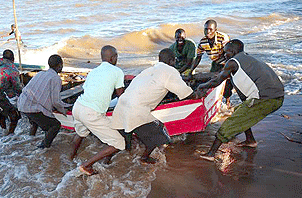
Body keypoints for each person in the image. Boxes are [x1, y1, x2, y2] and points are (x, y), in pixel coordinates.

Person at [196, 39, 284, 161]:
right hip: (276, 95)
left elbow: (217, 81)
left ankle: (211, 154)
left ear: (232, 51)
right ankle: (250, 140)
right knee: (239, 111)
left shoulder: (232, 62)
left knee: (233, 121)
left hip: (267, 98)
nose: (224, 55)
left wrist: (201, 86)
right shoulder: (247, 59)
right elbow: (234, 83)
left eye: (225, 52)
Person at [111, 48, 195, 164]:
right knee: (161, 137)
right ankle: (144, 158)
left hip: (121, 106)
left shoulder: (148, 70)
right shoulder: (170, 71)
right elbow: (186, 93)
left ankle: (108, 160)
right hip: (136, 110)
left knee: (121, 141)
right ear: (172, 61)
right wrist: (198, 94)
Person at [71, 45, 126, 176]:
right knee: (119, 143)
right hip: (91, 113)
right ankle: (86, 165)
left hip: (78, 107)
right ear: (113, 58)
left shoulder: (93, 72)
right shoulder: (117, 71)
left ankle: (70, 158)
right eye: (116, 56)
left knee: (80, 134)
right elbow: (121, 96)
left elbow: (88, 89)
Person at [17, 54, 72, 148]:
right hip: (32, 106)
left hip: (22, 103)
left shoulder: (40, 73)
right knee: (54, 126)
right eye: (61, 65)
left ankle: (31, 139)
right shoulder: (55, 78)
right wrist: (64, 111)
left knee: (35, 122)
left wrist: (63, 105)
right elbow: (55, 101)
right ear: (59, 65)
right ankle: (43, 148)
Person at [189, 20, 233, 106]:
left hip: (227, 61)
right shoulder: (203, 42)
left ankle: (228, 101)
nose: (208, 32)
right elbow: (198, 57)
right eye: (206, 29)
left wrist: (225, 70)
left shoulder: (223, 38)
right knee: (213, 81)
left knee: (227, 84)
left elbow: (229, 54)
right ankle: (214, 102)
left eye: (210, 29)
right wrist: (191, 71)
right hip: (216, 62)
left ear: (215, 30)